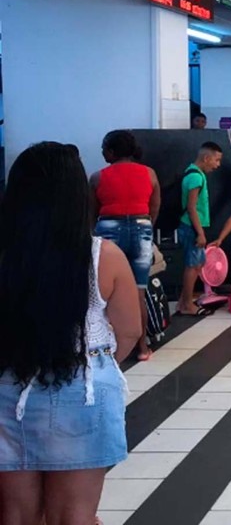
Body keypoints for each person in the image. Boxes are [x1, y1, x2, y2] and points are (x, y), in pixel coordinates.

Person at [0, 142, 140, 524]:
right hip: (83, 386)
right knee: (74, 516)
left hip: (7, 387)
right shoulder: (103, 256)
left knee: (13, 514)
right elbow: (129, 332)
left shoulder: (6, 254)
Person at [90, 130, 161, 362]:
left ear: (111, 151)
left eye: (104, 148)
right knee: (138, 291)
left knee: (105, 292)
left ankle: (110, 347)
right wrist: (145, 227)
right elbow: (155, 205)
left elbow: (91, 212)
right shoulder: (150, 173)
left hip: (109, 230)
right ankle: (142, 348)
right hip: (142, 228)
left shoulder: (98, 177)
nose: (102, 153)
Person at [177, 142, 223, 316]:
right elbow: (191, 207)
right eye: (216, 160)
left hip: (191, 226)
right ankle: (187, 305)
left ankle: (183, 301)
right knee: (194, 266)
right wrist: (200, 233)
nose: (217, 165)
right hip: (192, 227)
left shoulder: (192, 173)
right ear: (206, 158)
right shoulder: (196, 177)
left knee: (197, 263)